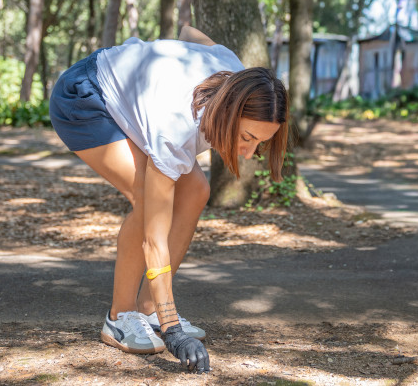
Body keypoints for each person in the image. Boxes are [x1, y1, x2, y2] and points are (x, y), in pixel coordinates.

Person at [49, 26, 289, 373]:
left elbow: (191, 33)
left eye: (260, 144)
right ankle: (119, 317)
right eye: (246, 137)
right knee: (150, 202)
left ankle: (150, 310)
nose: (249, 153)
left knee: (196, 191)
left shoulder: (235, 71)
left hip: (128, 98)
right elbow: (154, 236)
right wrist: (174, 329)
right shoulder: (176, 126)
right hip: (84, 98)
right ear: (229, 110)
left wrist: (158, 57)